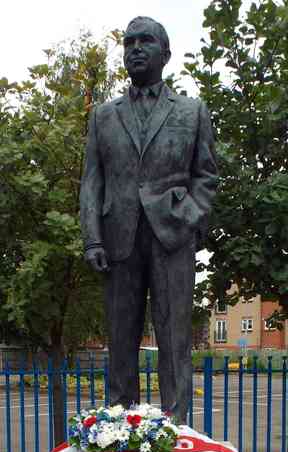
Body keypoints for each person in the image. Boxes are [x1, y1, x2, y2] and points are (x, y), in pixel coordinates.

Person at [80, 16, 217, 423]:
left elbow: (206, 175)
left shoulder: (192, 111)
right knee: (120, 338)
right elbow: (92, 182)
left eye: (145, 41)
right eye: (128, 42)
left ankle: (173, 427)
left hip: (172, 236)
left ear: (166, 54)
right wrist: (93, 238)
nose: (135, 48)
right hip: (118, 236)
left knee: (174, 338)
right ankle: (118, 427)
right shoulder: (104, 115)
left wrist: (188, 218)